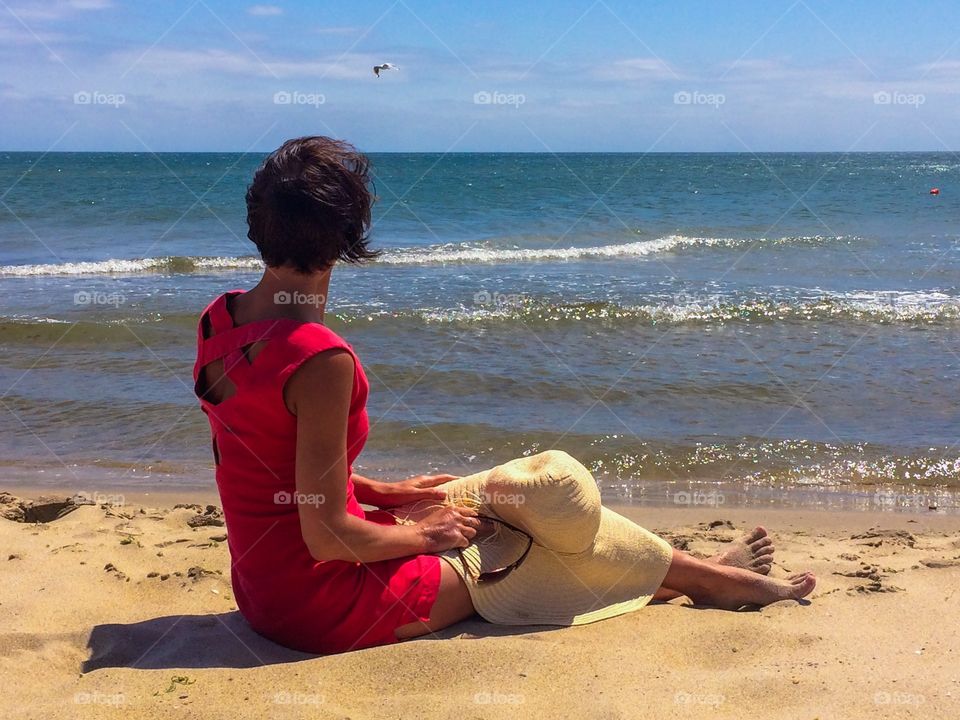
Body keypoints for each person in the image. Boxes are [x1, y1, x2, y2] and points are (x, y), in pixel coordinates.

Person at [192, 136, 815, 655]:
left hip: (263, 586)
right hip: (318, 603)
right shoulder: (320, 360)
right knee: (524, 547)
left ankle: (694, 571)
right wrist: (427, 536)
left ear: (258, 224)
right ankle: (708, 578)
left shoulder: (220, 320)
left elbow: (266, 461)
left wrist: (383, 492)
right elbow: (327, 535)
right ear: (347, 233)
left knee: (520, 495)